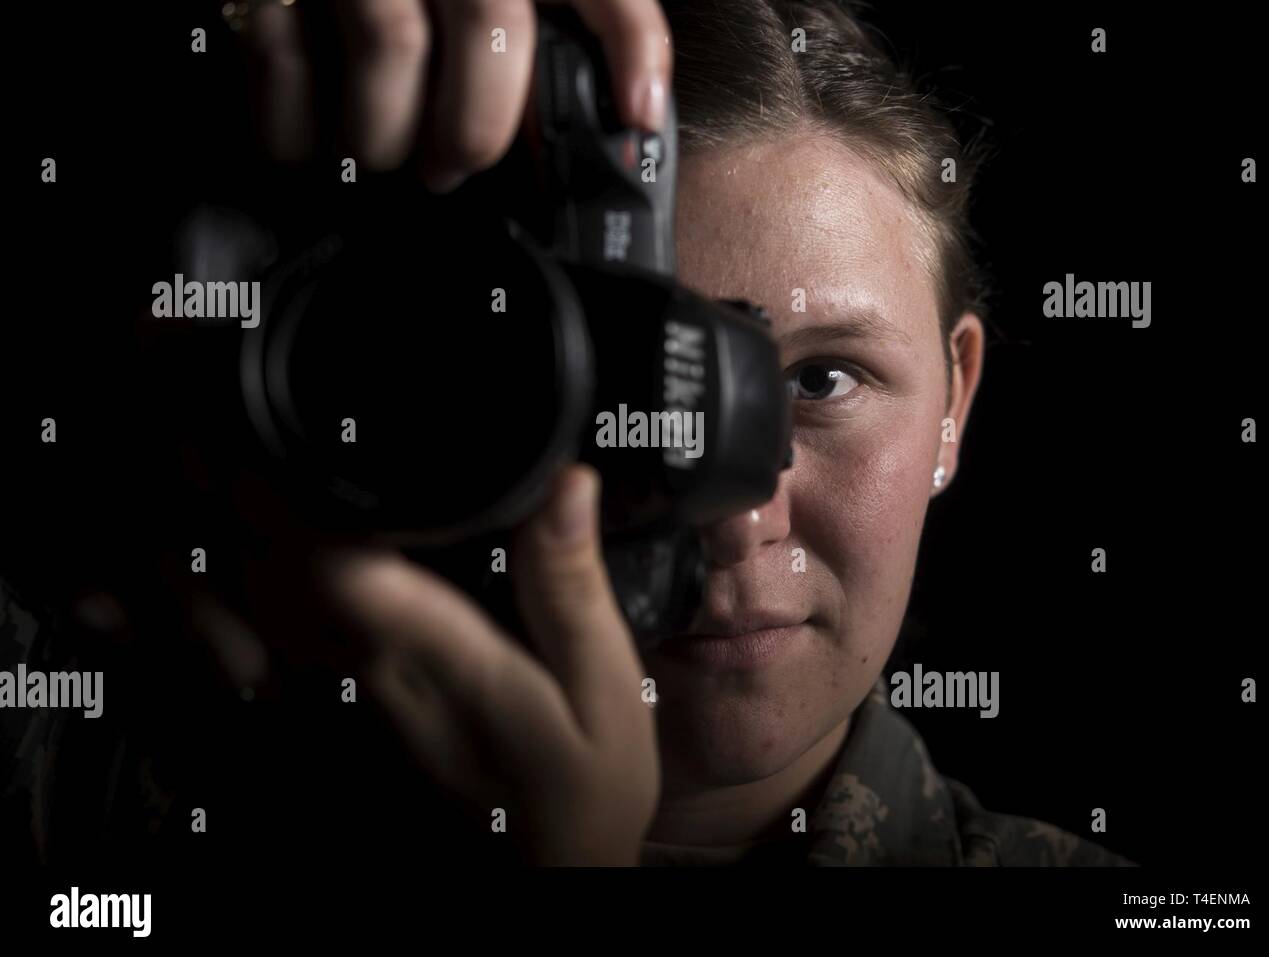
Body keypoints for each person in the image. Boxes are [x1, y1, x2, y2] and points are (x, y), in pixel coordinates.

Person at [1, 0, 1131, 867]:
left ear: (954, 401)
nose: (737, 515)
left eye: (823, 380)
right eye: (621, 385)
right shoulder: (81, 778)